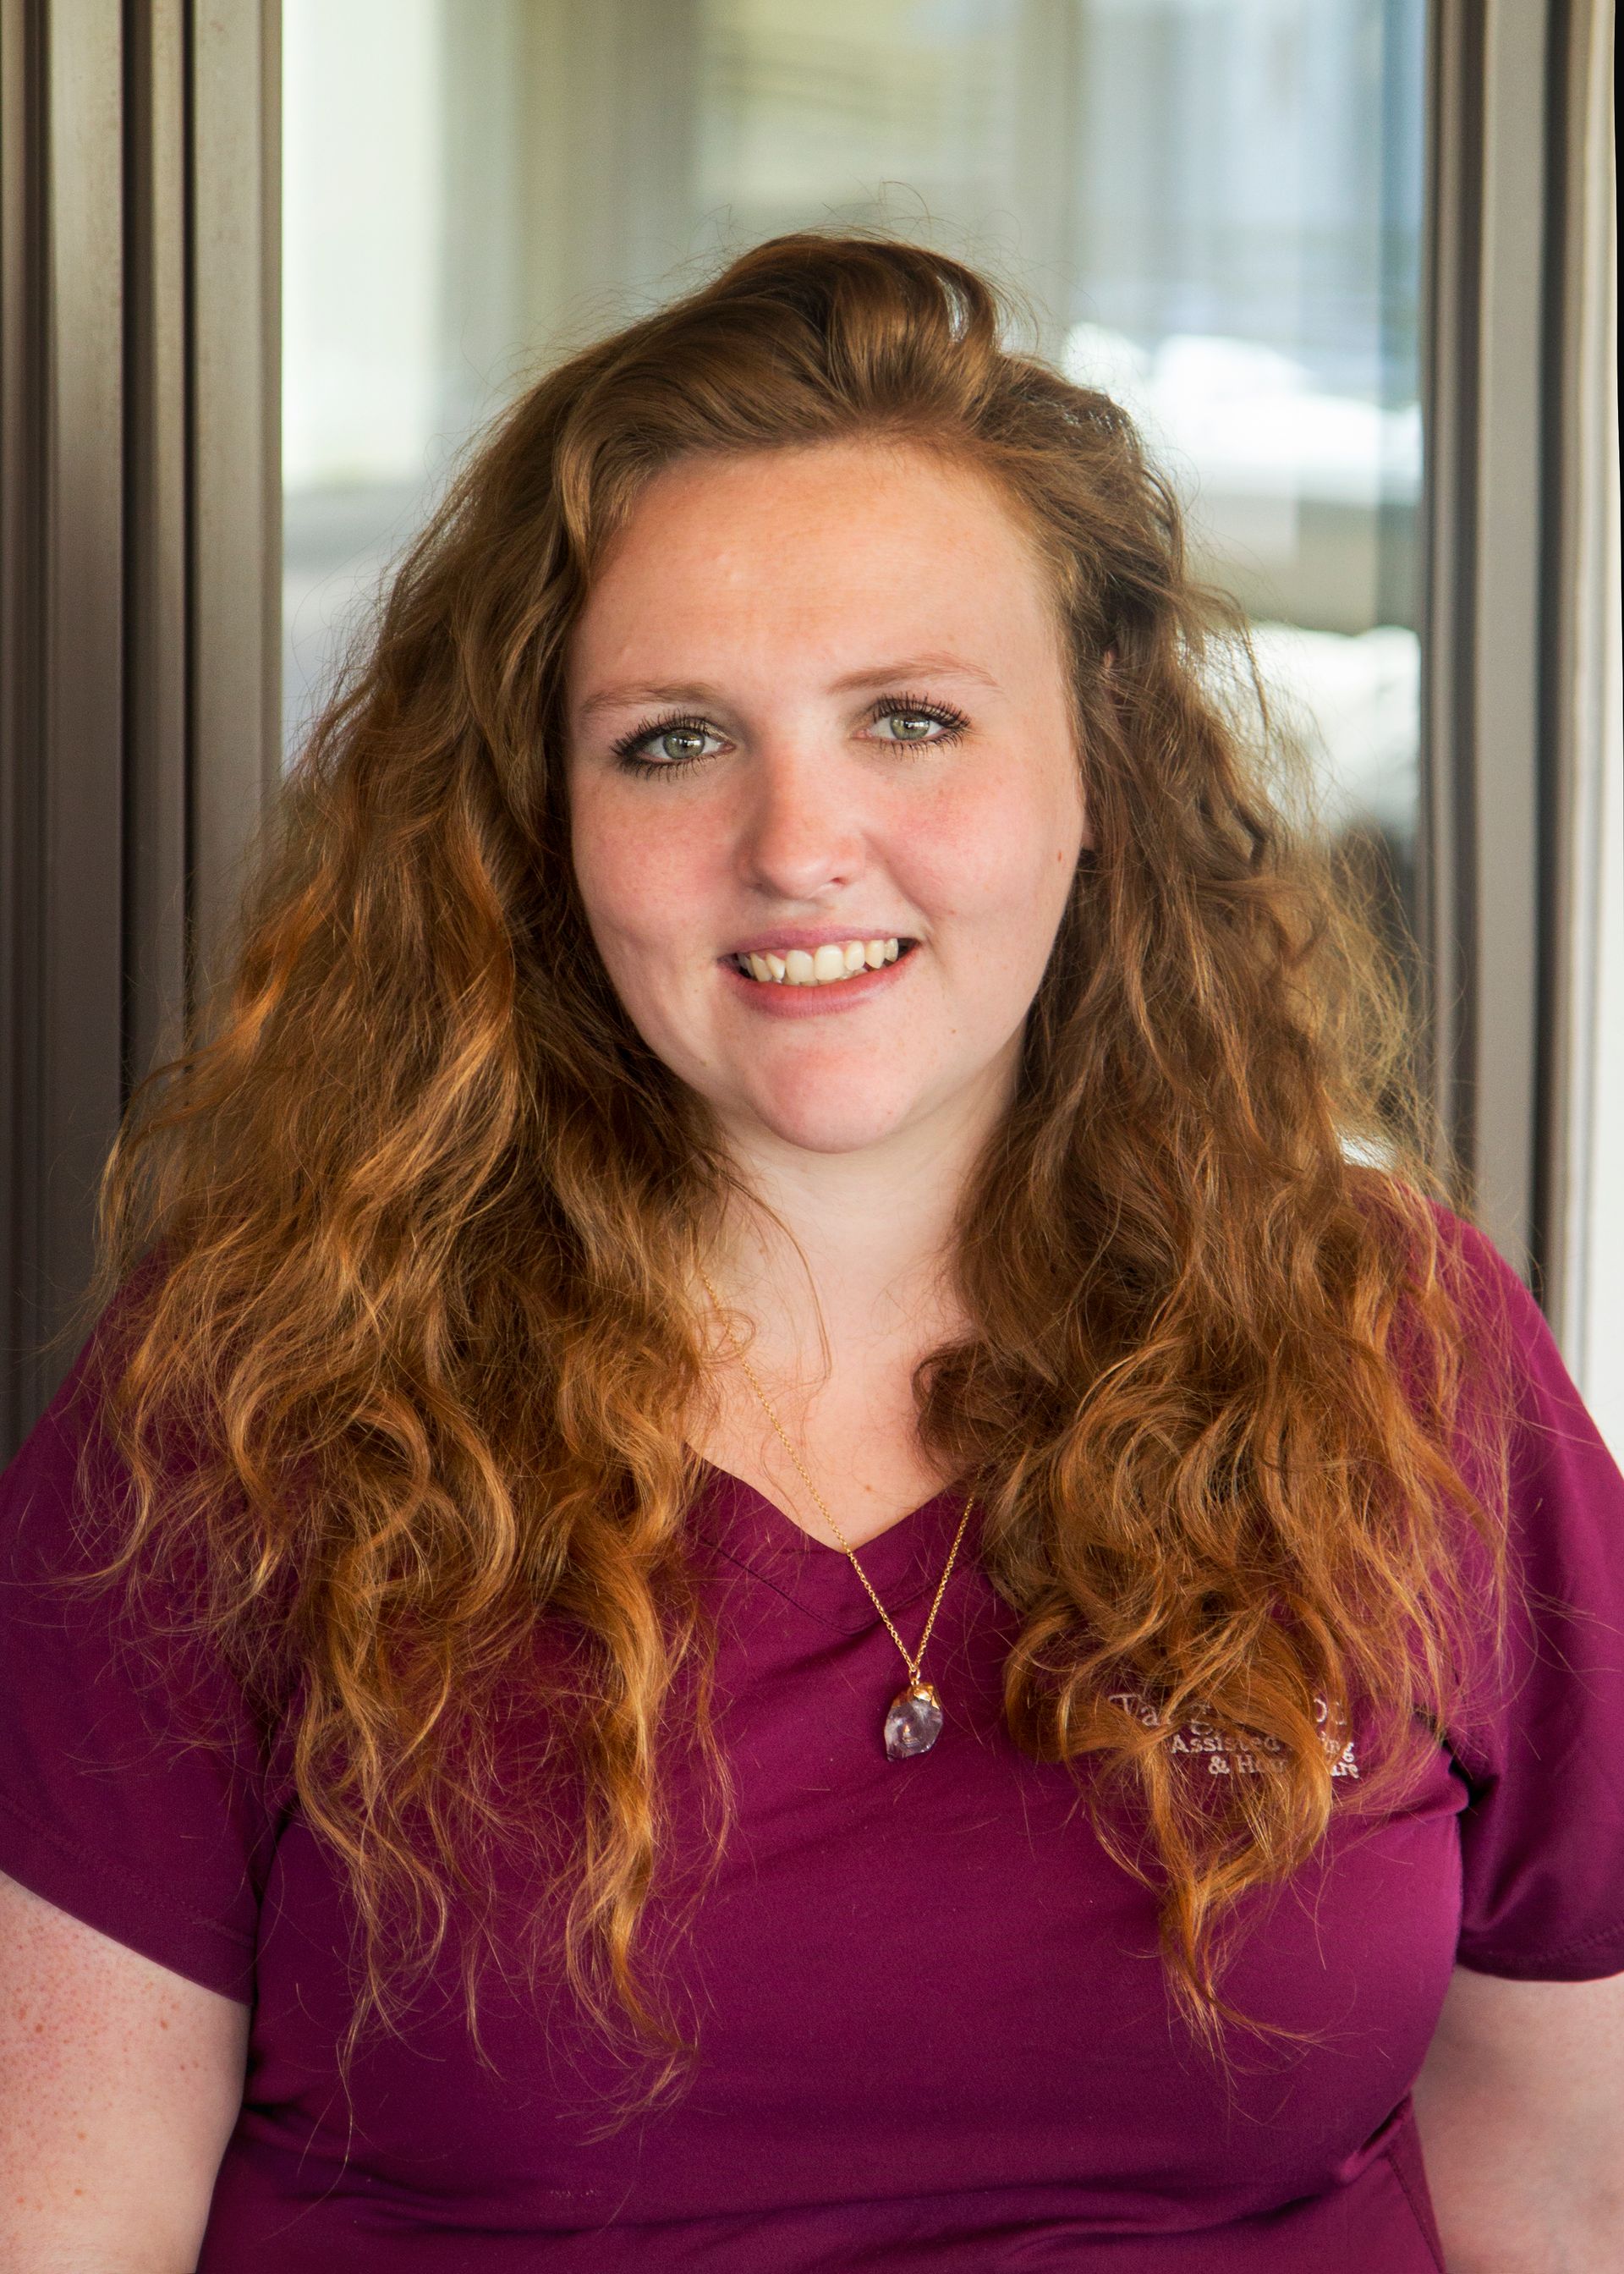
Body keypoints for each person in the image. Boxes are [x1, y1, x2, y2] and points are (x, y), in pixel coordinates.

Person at [2, 231, 1621, 2272]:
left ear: (1099, 774)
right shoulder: (248, 1408)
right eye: (675, 738)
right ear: (541, 822)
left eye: (912, 720)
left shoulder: (1398, 1350)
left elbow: (1563, 2173)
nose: (796, 842)